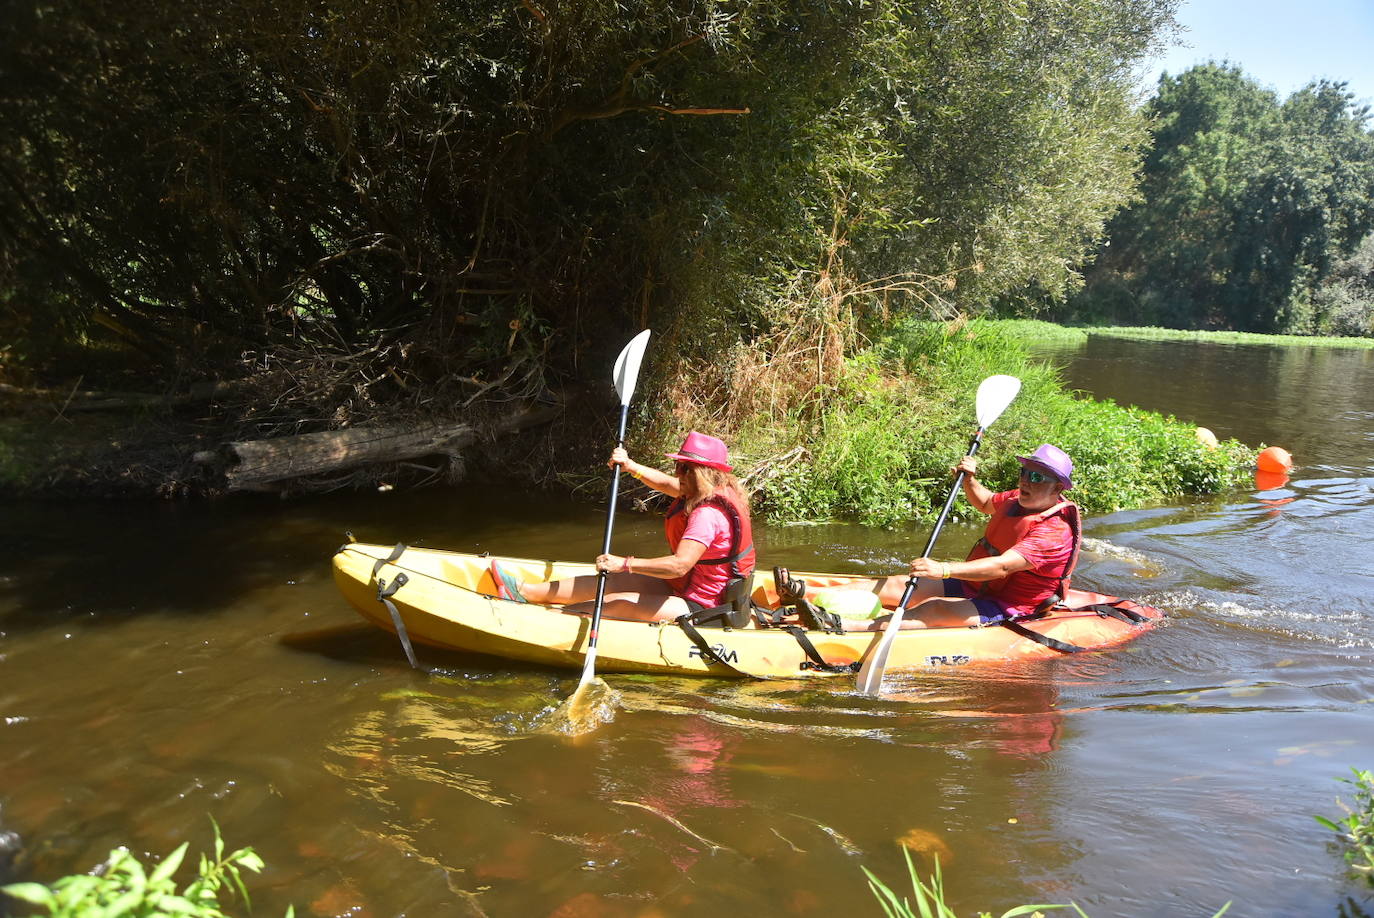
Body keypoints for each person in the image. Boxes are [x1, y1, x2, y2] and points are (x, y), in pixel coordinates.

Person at [489, 431, 756, 622]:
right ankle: (525, 591)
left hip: (702, 604)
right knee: (611, 582)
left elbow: (679, 565)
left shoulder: (707, 515)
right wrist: (630, 467)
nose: (677, 473)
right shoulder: (710, 490)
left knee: (611, 602)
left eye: (684, 468)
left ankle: (546, 618)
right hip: (684, 585)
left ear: (701, 473)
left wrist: (624, 562)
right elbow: (667, 485)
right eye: (677, 465)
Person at [846, 443, 1081, 630]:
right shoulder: (1017, 498)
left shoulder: (1054, 532)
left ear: (1058, 488)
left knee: (933, 609)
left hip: (1009, 605)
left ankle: (847, 627)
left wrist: (944, 569)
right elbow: (987, 502)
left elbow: (1002, 567)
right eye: (1024, 472)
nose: (1025, 480)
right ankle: (810, 595)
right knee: (898, 584)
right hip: (976, 586)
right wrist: (969, 480)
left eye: (1037, 478)